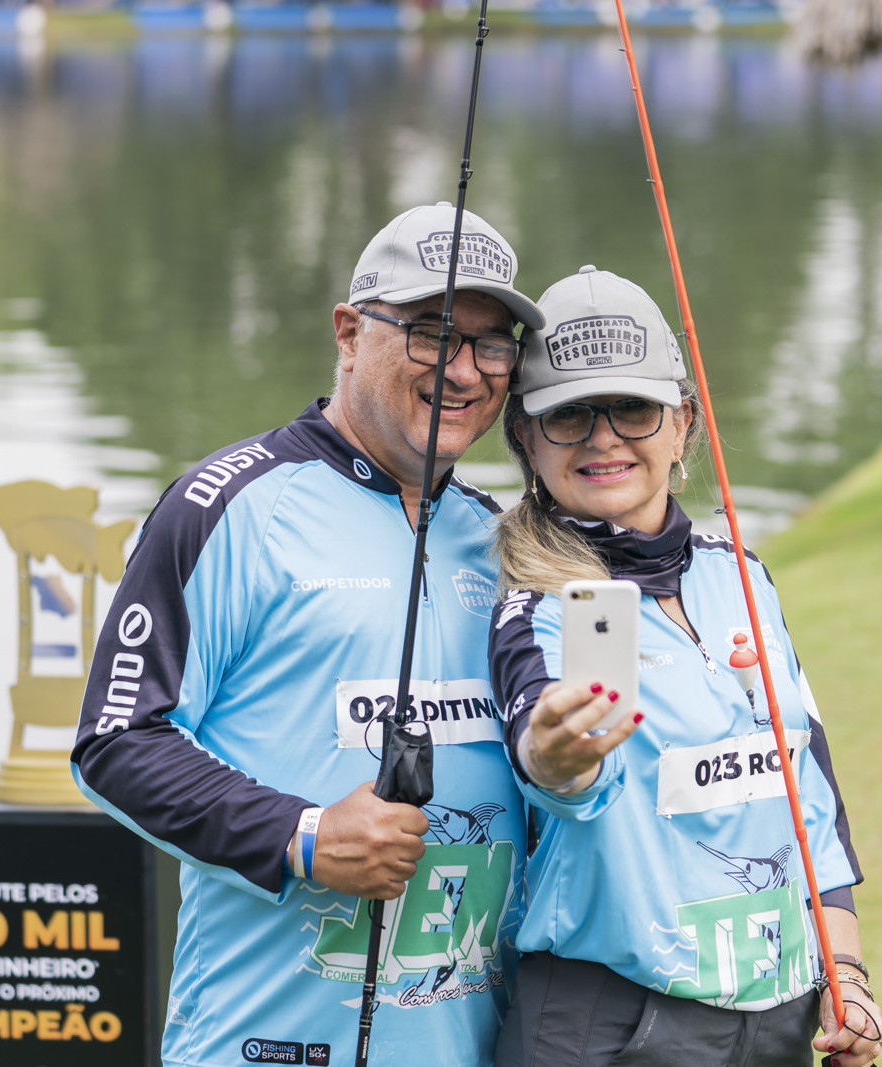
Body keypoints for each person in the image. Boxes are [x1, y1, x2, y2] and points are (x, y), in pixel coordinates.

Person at [72, 203, 544, 1067]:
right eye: (433, 332)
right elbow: (116, 741)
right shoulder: (229, 506)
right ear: (349, 330)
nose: (466, 370)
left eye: (492, 342)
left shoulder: (503, 540)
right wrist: (301, 834)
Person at [488, 266, 882, 1067]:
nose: (603, 436)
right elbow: (552, 765)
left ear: (684, 425)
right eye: (568, 414)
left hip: (777, 1014)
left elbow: (810, 796)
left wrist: (843, 968)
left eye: (632, 407)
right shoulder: (535, 609)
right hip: (607, 1027)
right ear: (526, 439)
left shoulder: (744, 573)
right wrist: (558, 758)